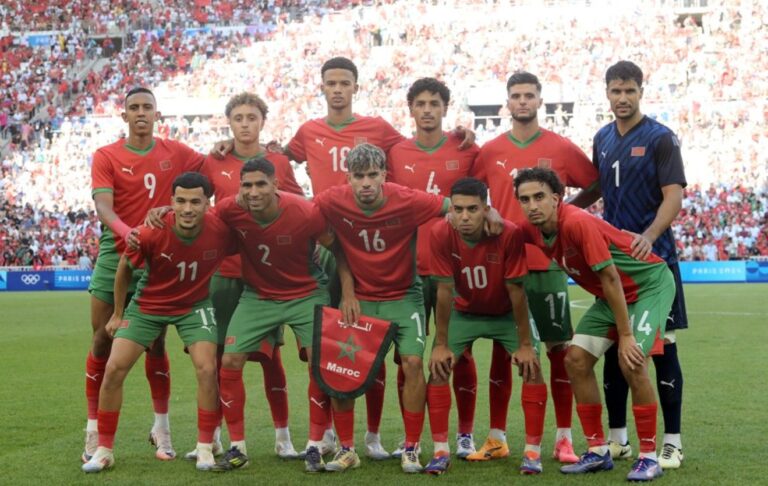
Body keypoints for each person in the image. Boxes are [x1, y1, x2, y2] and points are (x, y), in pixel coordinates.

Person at [470, 71, 600, 463]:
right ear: (507, 103)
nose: (523, 101)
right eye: (516, 95)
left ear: (540, 100)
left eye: (529, 95)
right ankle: (497, 437)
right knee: (502, 350)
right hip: (504, 265)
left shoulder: (561, 147)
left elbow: (595, 183)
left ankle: (563, 438)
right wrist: (488, 211)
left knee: (558, 349)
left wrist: (565, 211)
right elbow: (471, 196)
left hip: (547, 264)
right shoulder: (490, 151)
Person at [515, 167, 672, 482]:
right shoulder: (533, 229)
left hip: (647, 287)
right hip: (612, 295)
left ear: (556, 198)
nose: (532, 205)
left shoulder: (577, 222)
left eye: (539, 197)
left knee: (631, 361)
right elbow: (502, 230)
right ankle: (598, 451)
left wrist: (625, 335)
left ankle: (648, 457)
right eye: (525, 199)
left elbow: (610, 277)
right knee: (574, 360)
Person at [82, 172, 235, 473]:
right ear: (171, 202)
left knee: (207, 369)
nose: (187, 209)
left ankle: (205, 447)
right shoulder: (151, 231)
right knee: (114, 368)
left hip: (194, 306)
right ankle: (104, 450)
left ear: (208, 204)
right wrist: (117, 314)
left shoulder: (221, 230)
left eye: (195, 202)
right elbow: (124, 268)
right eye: (180, 201)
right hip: (148, 305)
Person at [84, 87, 205, 463]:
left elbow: (212, 171)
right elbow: (103, 206)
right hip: (115, 253)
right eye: (133, 107)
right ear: (124, 116)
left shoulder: (177, 152)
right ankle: (93, 429)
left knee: (156, 343)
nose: (140, 113)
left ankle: (162, 428)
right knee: (102, 341)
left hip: (159, 257)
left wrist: (225, 147)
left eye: (146, 107)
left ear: (157, 114)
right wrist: (128, 232)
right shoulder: (107, 155)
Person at [313, 143, 451, 473]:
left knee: (413, 363)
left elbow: (453, 206)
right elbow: (301, 216)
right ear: (348, 177)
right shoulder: (331, 199)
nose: (366, 183)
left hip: (404, 296)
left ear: (384, 175)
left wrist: (488, 214)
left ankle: (411, 447)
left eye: (373, 175)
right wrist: (346, 288)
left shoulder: (408, 199)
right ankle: (347, 449)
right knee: (341, 368)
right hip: (360, 299)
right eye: (359, 176)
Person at [209, 158, 350, 473]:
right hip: (258, 295)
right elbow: (200, 222)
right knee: (230, 360)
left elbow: (338, 249)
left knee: (318, 364)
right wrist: (163, 211)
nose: (253, 192)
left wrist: (349, 293)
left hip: (306, 293)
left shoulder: (304, 212)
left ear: (275, 184)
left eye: (261, 184)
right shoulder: (231, 208)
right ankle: (237, 448)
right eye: (247, 185)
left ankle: (314, 446)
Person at [195, 92, 305, 460]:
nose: (245, 124)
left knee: (271, 359)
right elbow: (199, 206)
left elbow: (298, 209)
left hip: (265, 276)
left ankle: (283, 437)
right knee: (219, 359)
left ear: (262, 121)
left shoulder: (278, 162)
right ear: (229, 123)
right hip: (224, 273)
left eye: (251, 117)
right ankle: (214, 437)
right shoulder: (213, 161)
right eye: (238, 118)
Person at [593, 61, 688, 469]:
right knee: (617, 344)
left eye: (629, 90)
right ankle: (617, 439)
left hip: (655, 263)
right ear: (607, 93)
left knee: (662, 350)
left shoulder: (660, 138)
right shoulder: (601, 138)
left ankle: (672, 442)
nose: (622, 98)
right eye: (616, 91)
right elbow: (596, 187)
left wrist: (648, 236)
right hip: (614, 263)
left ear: (641, 92)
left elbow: (674, 195)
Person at [385, 77, 482, 458]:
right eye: (421, 103)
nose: (427, 110)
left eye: (434, 103)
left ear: (445, 108)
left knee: (460, 352)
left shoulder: (465, 148)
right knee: (406, 355)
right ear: (410, 109)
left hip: (452, 269)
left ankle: (465, 434)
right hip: (406, 271)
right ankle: (410, 435)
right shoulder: (395, 152)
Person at [425, 178, 543, 475]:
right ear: (450, 210)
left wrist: (525, 345)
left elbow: (517, 291)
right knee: (438, 368)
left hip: (505, 314)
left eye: (473, 209)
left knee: (532, 367)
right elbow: (443, 291)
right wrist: (440, 344)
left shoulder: (509, 233)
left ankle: (533, 453)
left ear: (486, 209)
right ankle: (440, 452)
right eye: (458, 209)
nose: (464, 216)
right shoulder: (440, 233)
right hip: (464, 312)